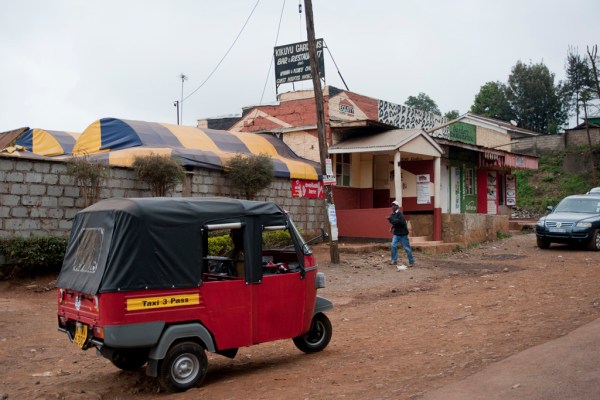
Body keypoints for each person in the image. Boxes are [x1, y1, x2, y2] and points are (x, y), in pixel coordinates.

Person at [387, 200, 415, 267]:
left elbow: (400, 222)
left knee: (407, 248)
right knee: (393, 245)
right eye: (392, 205)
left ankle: (411, 261)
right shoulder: (392, 215)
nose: (393, 207)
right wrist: (392, 227)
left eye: (394, 205)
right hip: (396, 234)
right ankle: (394, 260)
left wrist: (391, 219)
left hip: (403, 234)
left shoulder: (400, 214)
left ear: (397, 206)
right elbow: (395, 223)